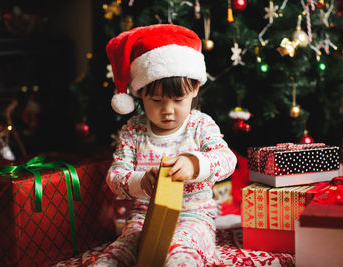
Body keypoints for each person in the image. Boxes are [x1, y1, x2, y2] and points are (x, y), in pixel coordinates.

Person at [91, 24, 237, 267]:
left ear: (195, 88)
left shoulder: (201, 124)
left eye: (178, 100)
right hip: (143, 219)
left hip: (194, 217)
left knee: (180, 254)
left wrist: (195, 164)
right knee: (116, 253)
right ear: (140, 94)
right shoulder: (133, 131)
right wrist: (140, 182)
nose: (167, 110)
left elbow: (226, 159)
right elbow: (115, 177)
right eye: (156, 100)